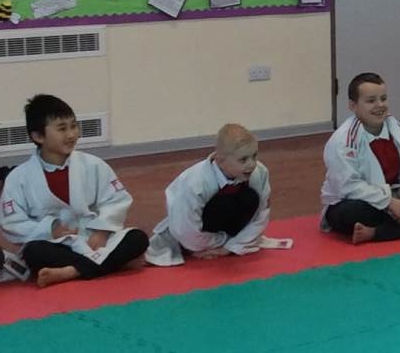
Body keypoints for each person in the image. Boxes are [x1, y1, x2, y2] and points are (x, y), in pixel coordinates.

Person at [0, 92, 149, 288]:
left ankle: (71, 271)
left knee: (138, 238)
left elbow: (116, 200)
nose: (71, 135)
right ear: (38, 136)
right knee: (33, 252)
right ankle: (110, 264)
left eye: (73, 126)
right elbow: (13, 222)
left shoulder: (93, 165)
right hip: (55, 244)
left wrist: (102, 231)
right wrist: (50, 229)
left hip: (93, 239)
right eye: (62, 129)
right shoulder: (19, 177)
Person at [321, 72, 400, 244]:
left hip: (396, 196)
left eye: (383, 99)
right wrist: (389, 203)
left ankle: (374, 233)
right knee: (352, 213)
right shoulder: (343, 140)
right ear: (353, 105)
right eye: (371, 101)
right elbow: (348, 186)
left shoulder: (396, 128)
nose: (379, 105)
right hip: (356, 201)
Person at [146, 123, 276, 266]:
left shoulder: (259, 172)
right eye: (243, 159)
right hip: (191, 233)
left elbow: (261, 215)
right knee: (224, 204)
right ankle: (198, 247)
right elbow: (185, 229)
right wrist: (213, 243)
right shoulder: (194, 182)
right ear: (220, 160)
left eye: (254, 156)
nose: (251, 164)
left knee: (250, 198)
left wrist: (230, 247)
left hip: (228, 233)